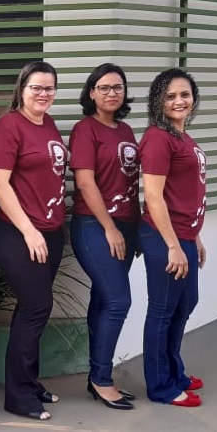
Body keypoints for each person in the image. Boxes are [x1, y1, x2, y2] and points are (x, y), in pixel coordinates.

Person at [0, 61, 66, 421]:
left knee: (33, 308)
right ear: (22, 88)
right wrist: (29, 231)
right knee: (36, 306)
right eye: (36, 87)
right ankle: (18, 395)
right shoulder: (8, 126)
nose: (43, 94)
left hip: (50, 230)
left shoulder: (48, 124)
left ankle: (28, 382)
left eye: (49, 88)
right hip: (15, 230)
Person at [69, 63, 139, 410]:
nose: (112, 93)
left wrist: (134, 229)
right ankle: (102, 379)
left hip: (126, 227)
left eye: (118, 87)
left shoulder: (125, 130)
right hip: (94, 226)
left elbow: (130, 181)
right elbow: (85, 182)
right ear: (92, 93)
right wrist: (110, 227)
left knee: (102, 300)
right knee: (118, 301)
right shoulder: (85, 129)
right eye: (104, 87)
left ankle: (97, 375)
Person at [140, 68, 206, 407]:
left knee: (186, 303)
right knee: (163, 309)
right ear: (158, 101)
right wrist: (173, 245)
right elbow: (153, 197)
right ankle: (160, 386)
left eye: (184, 94)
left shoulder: (181, 137)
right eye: (170, 96)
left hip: (184, 235)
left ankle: (173, 371)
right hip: (164, 237)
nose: (179, 101)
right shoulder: (157, 138)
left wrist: (195, 237)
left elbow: (187, 192)